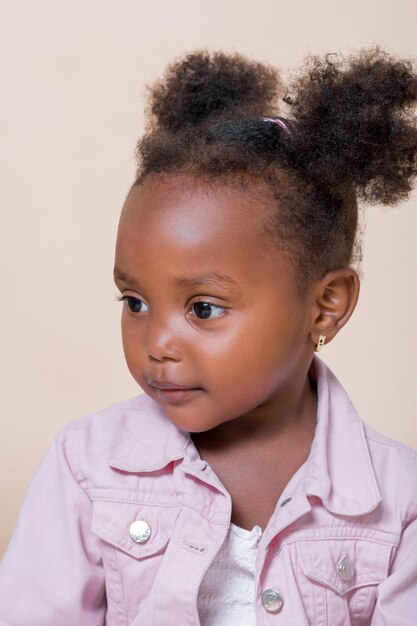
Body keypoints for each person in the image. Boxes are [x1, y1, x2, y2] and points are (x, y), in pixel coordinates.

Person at [0, 47, 416, 626]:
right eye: (135, 302)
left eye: (203, 308)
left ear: (325, 306)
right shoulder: (87, 467)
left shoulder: (398, 503)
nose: (157, 343)